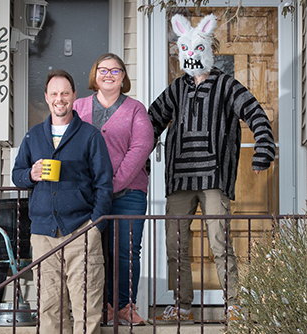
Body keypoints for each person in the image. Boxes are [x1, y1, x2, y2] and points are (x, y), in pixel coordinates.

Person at [148, 14, 276, 323]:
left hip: (214, 178)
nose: (192, 54)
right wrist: (136, 160)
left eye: (198, 48)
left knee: (220, 243)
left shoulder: (227, 85)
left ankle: (233, 304)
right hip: (180, 179)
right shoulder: (177, 89)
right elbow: (149, 122)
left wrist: (263, 151)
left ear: (208, 49)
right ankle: (182, 306)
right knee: (175, 245)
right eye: (187, 49)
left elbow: (256, 115)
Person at [12, 69, 113, 334]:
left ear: (74, 96)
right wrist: (30, 175)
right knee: (48, 307)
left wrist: (95, 227)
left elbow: (104, 184)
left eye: (65, 93)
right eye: (54, 93)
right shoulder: (33, 136)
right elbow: (17, 175)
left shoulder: (90, 136)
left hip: (81, 230)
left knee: (86, 305)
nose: (60, 99)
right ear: (46, 97)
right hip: (43, 233)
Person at [73, 53, 154, 326]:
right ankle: (103, 307)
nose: (109, 75)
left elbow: (140, 149)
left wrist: (113, 185)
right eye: (103, 70)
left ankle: (124, 307)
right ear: (95, 75)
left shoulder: (135, 109)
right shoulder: (79, 107)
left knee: (126, 251)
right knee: (96, 251)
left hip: (128, 193)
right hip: (89, 195)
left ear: (123, 77)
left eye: (115, 70)